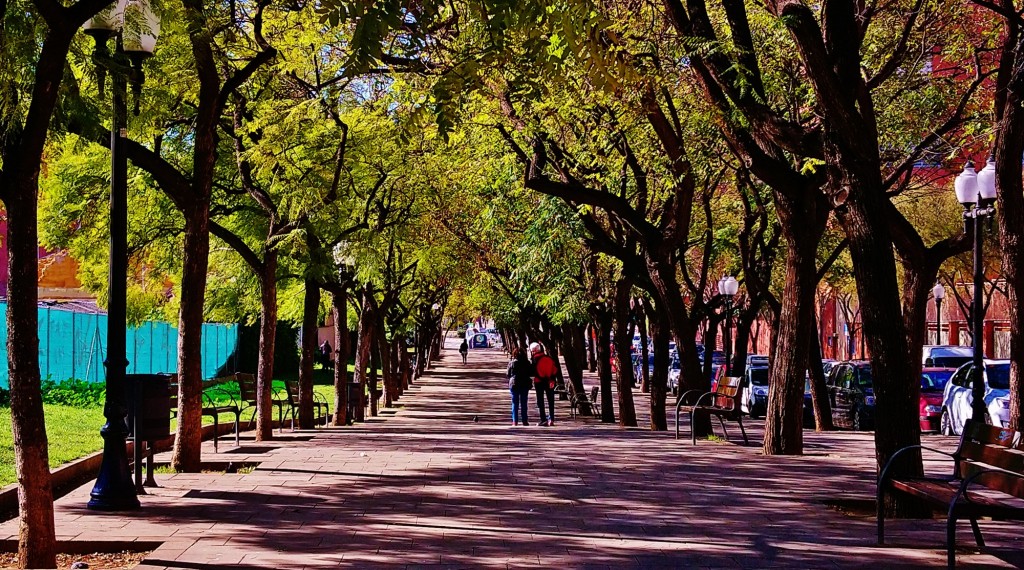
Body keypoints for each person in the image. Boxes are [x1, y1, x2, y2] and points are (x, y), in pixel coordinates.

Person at [530, 342, 560, 426]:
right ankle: (552, 419)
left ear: (534, 351)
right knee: (551, 401)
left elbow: (533, 372)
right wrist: (552, 380)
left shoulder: (535, 359)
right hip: (549, 382)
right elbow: (554, 370)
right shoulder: (548, 358)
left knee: (540, 401)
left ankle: (543, 419)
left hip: (539, 382)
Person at [507, 348, 533, 426]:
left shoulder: (512, 363)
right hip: (525, 383)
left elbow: (508, 374)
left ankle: (515, 421)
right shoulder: (527, 363)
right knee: (524, 403)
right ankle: (525, 421)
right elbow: (531, 373)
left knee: (515, 403)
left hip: (514, 384)